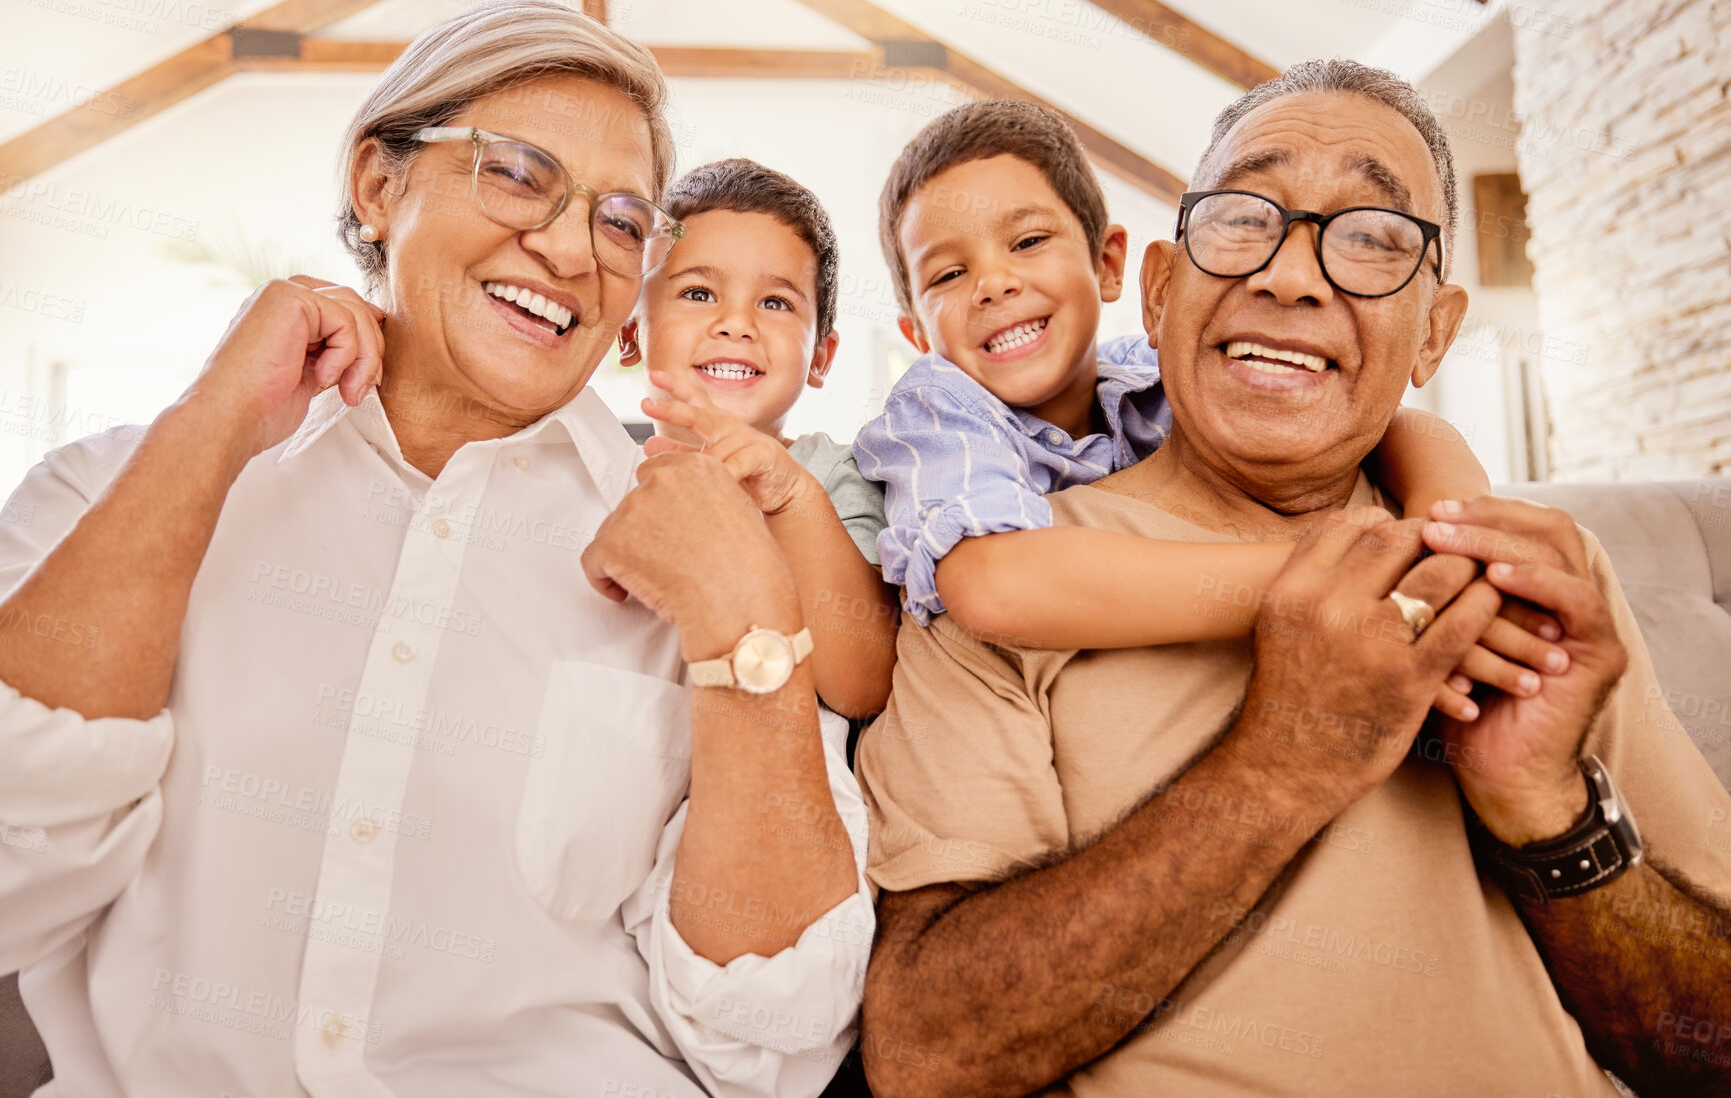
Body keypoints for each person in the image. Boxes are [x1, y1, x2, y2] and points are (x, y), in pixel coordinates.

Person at [0, 1, 870, 1098]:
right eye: (515, 173)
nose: (567, 248)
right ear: (379, 184)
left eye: (618, 221)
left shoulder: (703, 545)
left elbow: (776, 1037)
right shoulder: (119, 487)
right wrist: (209, 427)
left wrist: (749, 625)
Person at [855, 61, 1731, 1097]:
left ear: (1435, 333)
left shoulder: (1527, 577)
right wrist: (1288, 757)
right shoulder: (988, 579)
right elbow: (924, 1056)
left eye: (1369, 236)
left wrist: (1549, 812)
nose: (1292, 277)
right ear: (1163, 286)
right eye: (1243, 220)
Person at [853, 99, 1539, 721]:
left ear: (1109, 264)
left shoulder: (1160, 370)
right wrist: (1352, 584)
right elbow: (992, 584)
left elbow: (1394, 422)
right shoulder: (936, 410)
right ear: (916, 334)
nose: (994, 283)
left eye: (1028, 242)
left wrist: (1450, 534)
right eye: (947, 274)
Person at [617, 158, 898, 721]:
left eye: (775, 303)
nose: (736, 323)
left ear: (820, 356)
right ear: (629, 332)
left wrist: (789, 495)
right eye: (698, 293)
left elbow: (863, 684)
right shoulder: (593, 463)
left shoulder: (837, 476)